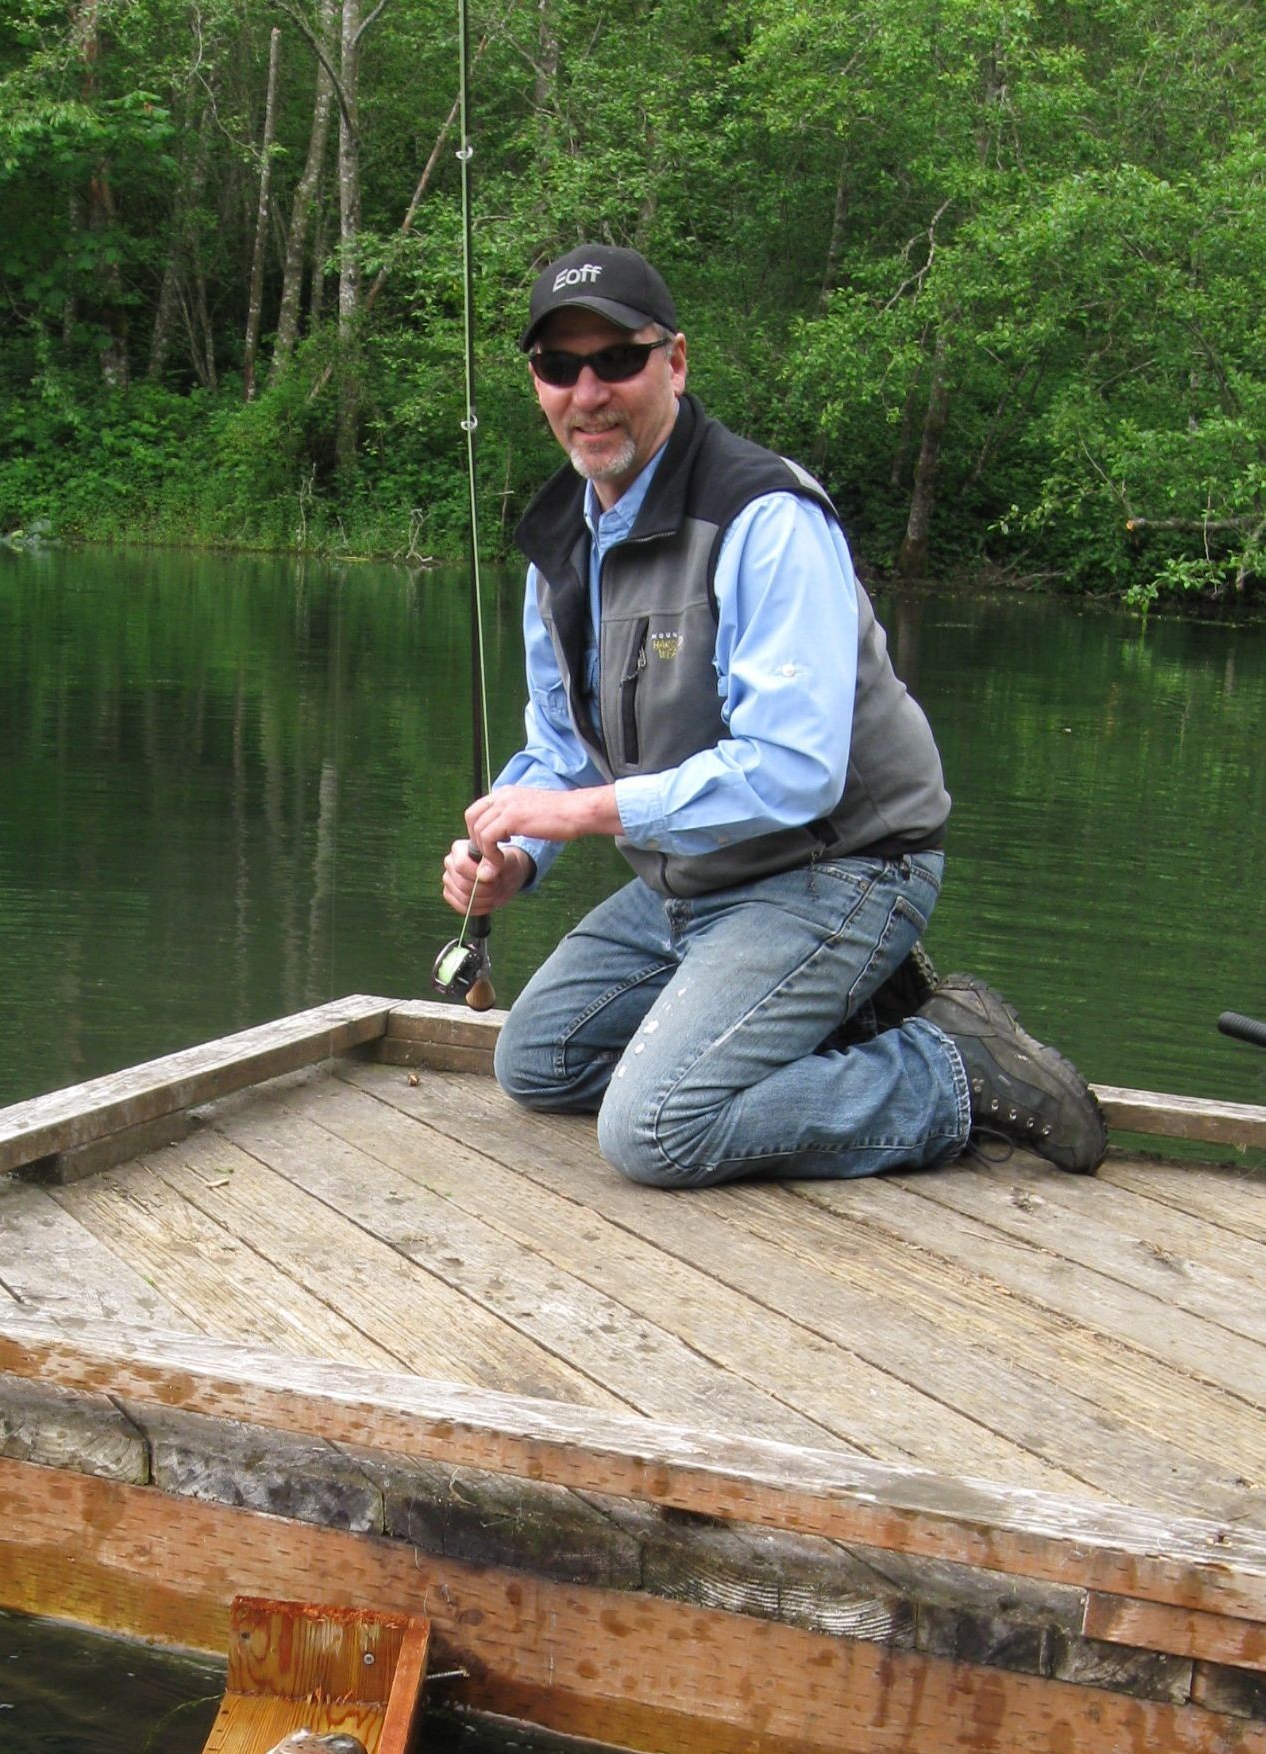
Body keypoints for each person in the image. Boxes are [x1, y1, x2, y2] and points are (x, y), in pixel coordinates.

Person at [441, 244, 1106, 1184]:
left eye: (616, 360)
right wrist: (515, 855)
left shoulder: (763, 516)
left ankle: (951, 1068)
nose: (587, 393)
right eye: (559, 366)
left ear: (674, 362)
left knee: (655, 1131)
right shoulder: (559, 544)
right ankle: (826, 1015)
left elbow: (795, 768)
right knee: (538, 1061)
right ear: (536, 383)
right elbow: (560, 750)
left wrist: (583, 813)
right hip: (692, 884)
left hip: (841, 868)